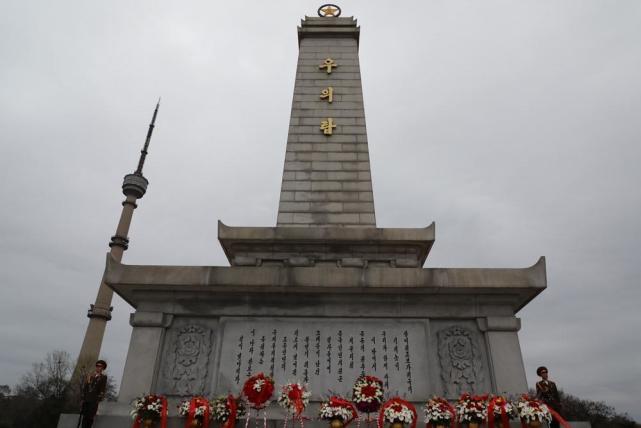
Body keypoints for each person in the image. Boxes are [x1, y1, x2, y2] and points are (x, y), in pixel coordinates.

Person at [80, 360, 108, 428]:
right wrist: (83, 398)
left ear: (103, 368)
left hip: (94, 401)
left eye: (100, 366)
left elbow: (102, 389)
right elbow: (86, 388)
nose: (98, 367)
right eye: (97, 366)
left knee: (90, 418)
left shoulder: (103, 377)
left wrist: (98, 399)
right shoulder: (90, 376)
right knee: (84, 417)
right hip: (86, 400)